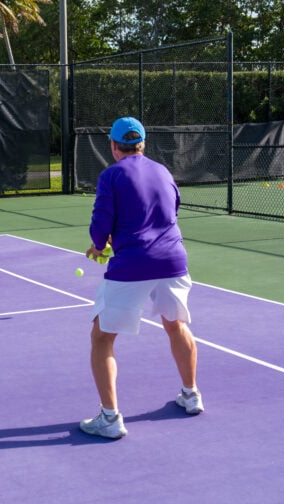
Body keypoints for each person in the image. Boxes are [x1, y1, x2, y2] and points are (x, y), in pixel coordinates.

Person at [80, 117, 204, 439]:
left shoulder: (110, 176)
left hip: (133, 265)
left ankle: (109, 418)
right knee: (177, 325)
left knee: (102, 338)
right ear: (143, 144)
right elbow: (172, 208)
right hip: (173, 261)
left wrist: (99, 243)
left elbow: (100, 225)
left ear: (112, 146)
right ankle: (191, 395)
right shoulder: (163, 171)